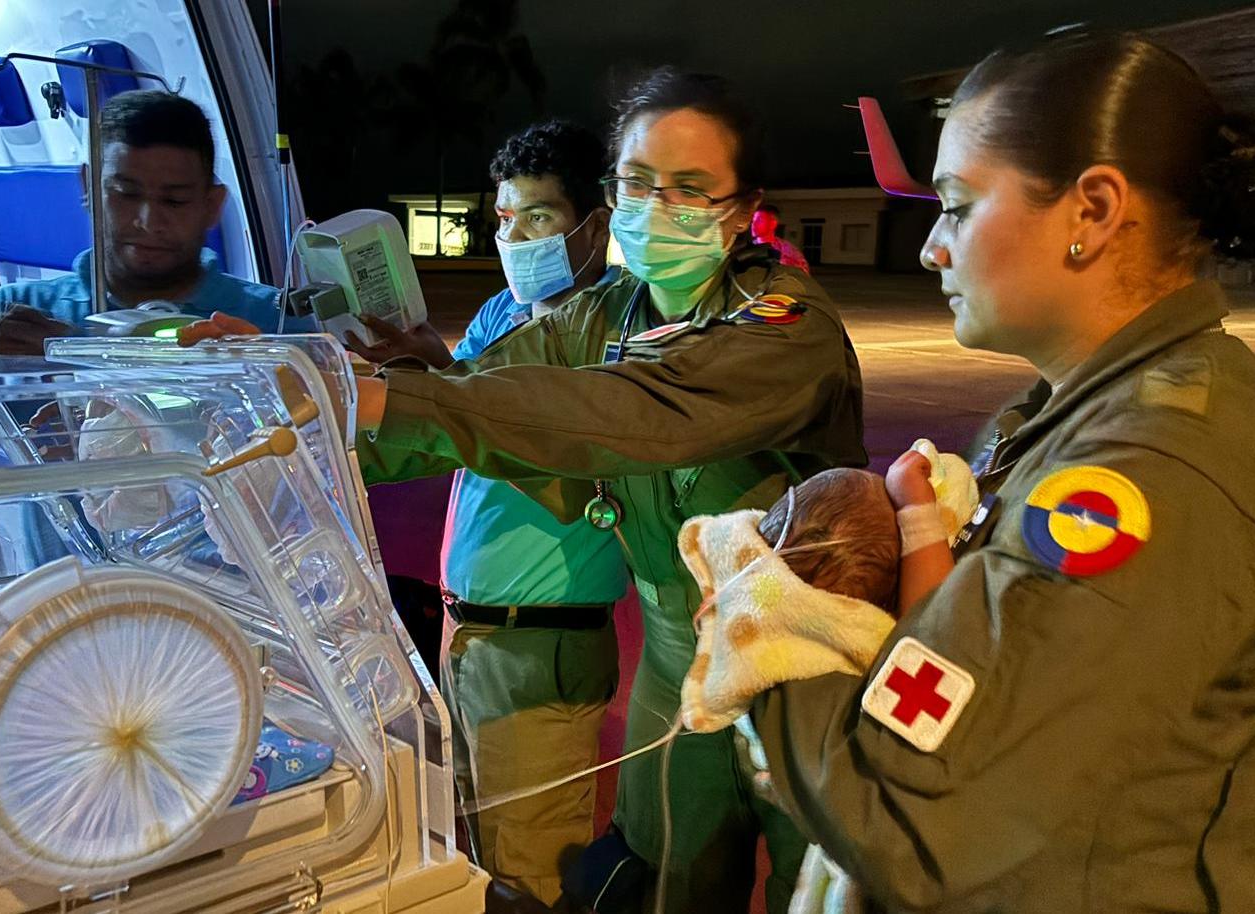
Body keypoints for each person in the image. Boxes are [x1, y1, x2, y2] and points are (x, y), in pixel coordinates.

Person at [190, 67, 868, 913]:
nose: (658, 206)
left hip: (796, 653)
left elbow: (631, 410)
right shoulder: (604, 313)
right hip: (673, 650)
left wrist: (385, 395)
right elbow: (473, 403)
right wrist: (285, 403)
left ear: (743, 207)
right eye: (637, 182)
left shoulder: (781, 327)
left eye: (690, 189)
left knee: (819, 878)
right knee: (665, 875)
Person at [745, 32, 1255, 913]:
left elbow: (907, 814)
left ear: (1093, 210)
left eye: (956, 206)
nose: (930, 250)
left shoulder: (1152, 473)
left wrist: (766, 630)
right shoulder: (1082, 412)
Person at [343, 119, 630, 909]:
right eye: (504, 219)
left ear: (593, 225)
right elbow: (465, 418)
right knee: (478, 852)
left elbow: (502, 414)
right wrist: (428, 373)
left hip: (544, 642)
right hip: (466, 630)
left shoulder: (610, 331)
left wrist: (431, 389)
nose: (515, 236)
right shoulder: (505, 311)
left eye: (537, 217)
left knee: (533, 872)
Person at [0, 89, 287, 356]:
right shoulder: (12, 314)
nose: (149, 221)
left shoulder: (278, 321)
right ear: (88, 188)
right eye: (125, 194)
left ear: (212, 205)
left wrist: (269, 375)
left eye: (175, 200)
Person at [750, 204, 810, 273]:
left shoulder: (788, 250)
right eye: (753, 220)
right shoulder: (746, 248)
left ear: (773, 224)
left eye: (759, 220)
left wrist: (782, 262)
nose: (754, 224)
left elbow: (804, 272)